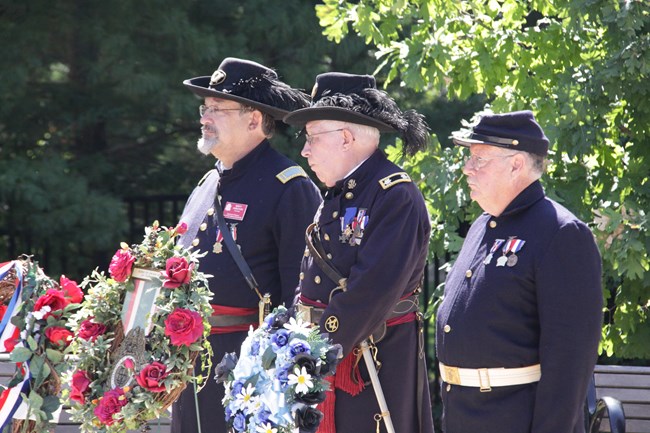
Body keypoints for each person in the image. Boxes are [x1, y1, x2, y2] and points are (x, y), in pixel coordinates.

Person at [172, 57, 322, 433]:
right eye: (204, 107)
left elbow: (298, 296)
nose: (204, 116)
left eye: (217, 109)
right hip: (190, 362)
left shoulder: (289, 187)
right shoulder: (208, 183)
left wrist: (282, 379)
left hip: (246, 369)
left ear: (254, 119)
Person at [284, 72, 435, 433]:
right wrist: (289, 340)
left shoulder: (394, 195)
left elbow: (370, 292)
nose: (304, 150)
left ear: (346, 138)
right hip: (326, 357)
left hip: (370, 365)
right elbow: (311, 281)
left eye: (311, 138)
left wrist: (313, 351)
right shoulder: (338, 192)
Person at [436, 110, 603, 433]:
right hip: (463, 416)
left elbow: (569, 362)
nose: (466, 169)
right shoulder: (483, 225)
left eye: (479, 160)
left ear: (516, 165)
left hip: (515, 418)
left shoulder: (561, 232)